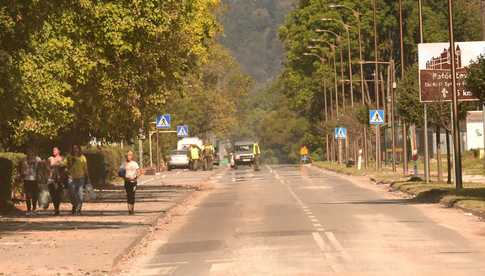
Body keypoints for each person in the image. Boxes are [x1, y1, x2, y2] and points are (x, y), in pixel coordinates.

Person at [66, 145, 88, 215]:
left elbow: (85, 168)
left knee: (80, 194)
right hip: (71, 177)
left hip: (80, 177)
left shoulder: (82, 157)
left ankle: (78, 209)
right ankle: (75, 205)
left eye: (76, 148)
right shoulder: (69, 157)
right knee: (72, 193)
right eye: (74, 148)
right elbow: (64, 164)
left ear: (79, 149)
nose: (75, 150)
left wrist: (87, 176)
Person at [20, 149, 41, 216]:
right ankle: (28, 210)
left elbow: (40, 169)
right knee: (28, 195)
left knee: (35, 195)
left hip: (35, 179)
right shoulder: (24, 159)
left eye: (32, 151)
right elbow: (21, 169)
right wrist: (22, 174)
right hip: (27, 179)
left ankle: (34, 209)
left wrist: (40, 177)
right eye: (29, 152)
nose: (30, 153)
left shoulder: (38, 159)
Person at [47, 147, 67, 216]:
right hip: (51, 178)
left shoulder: (62, 158)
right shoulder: (50, 158)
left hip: (59, 179)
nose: (53, 151)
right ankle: (56, 209)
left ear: (59, 151)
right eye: (53, 150)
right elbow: (47, 167)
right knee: (53, 195)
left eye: (55, 150)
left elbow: (65, 167)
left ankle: (57, 209)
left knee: (58, 194)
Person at [120, 151, 140, 215]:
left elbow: (138, 172)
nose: (129, 157)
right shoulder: (123, 164)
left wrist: (136, 177)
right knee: (128, 195)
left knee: (132, 195)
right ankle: (129, 210)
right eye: (128, 155)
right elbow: (120, 173)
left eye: (130, 155)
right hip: (127, 182)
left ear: (132, 156)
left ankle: (132, 209)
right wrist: (125, 177)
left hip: (134, 182)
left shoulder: (135, 164)